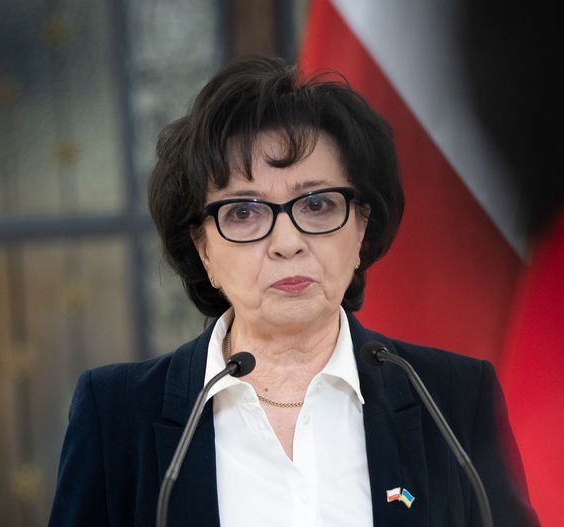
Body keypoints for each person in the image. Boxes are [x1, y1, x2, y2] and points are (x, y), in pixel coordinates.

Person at [48, 56, 538, 526]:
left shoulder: (452, 400)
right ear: (202, 248)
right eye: (243, 212)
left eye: (318, 205)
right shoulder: (116, 416)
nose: (287, 243)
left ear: (361, 228)